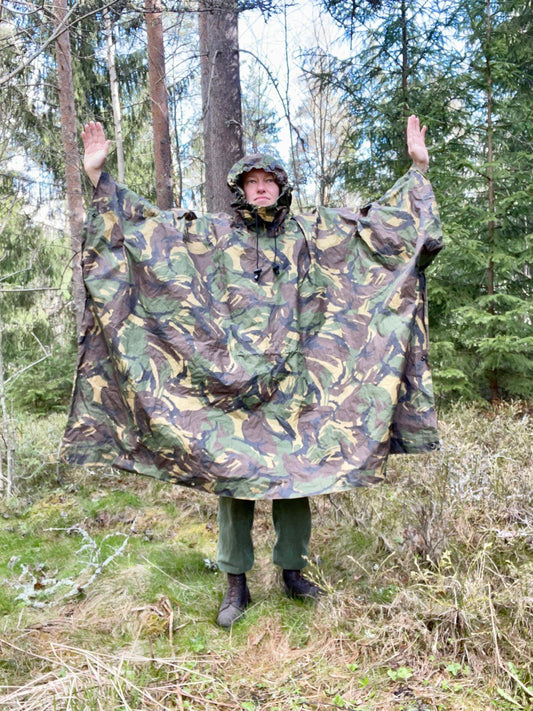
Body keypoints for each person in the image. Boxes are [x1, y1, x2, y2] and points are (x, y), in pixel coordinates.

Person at [64, 116, 442, 628]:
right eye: (252, 182)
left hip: (296, 384)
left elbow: (380, 233)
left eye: (269, 181)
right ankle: (235, 583)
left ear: (281, 188)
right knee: (232, 477)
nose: (261, 189)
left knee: (299, 473)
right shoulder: (212, 234)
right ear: (239, 188)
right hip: (229, 384)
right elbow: (145, 233)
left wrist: (417, 170)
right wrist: (98, 177)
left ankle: (293, 573)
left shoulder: (312, 232)